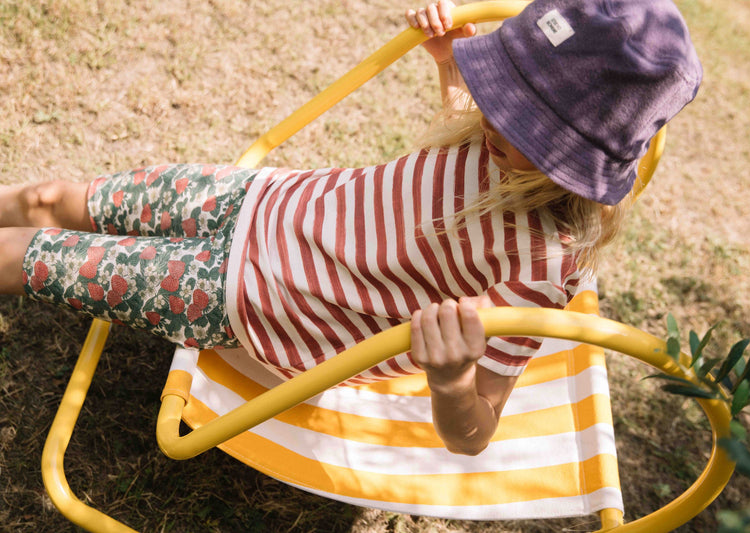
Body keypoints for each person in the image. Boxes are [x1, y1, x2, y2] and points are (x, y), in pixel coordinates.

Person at [0, 0, 701, 455]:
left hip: (258, 298)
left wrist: (452, 380)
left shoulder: (543, 267)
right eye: (499, 94)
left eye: (522, 120)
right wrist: (447, 64)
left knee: (31, 255)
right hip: (265, 202)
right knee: (50, 198)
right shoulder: (493, 140)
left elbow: (475, 433)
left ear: (574, 162)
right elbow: (459, 156)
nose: (492, 118)